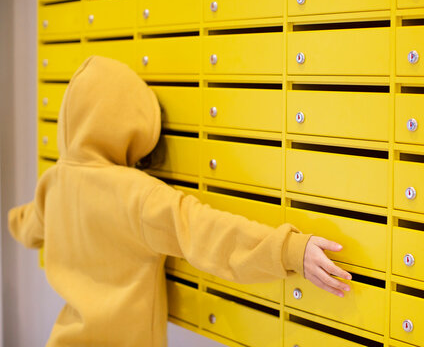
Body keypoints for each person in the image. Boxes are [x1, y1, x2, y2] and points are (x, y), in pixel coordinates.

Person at [8, 56, 352, 346]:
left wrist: (12, 220)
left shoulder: (52, 186)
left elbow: (28, 227)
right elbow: (209, 234)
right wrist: (290, 250)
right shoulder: (137, 196)